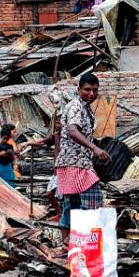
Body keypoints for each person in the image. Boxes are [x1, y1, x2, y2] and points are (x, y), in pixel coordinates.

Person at [56, 74, 111, 237]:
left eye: (95, 90)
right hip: (76, 164)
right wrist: (95, 149)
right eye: (87, 90)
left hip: (74, 163)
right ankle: (87, 242)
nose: (91, 94)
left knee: (71, 205)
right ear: (78, 89)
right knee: (93, 202)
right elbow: (73, 131)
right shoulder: (75, 106)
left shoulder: (85, 108)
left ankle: (67, 244)